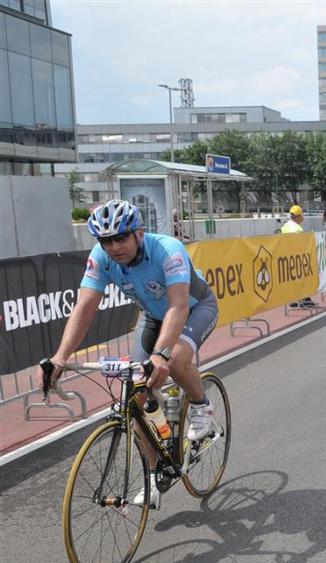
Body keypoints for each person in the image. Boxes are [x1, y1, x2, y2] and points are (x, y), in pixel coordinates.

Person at [41, 200, 219, 509]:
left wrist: (161, 355)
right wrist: (60, 357)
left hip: (194, 309)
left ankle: (202, 406)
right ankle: (154, 472)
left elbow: (178, 305)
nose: (114, 247)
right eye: (106, 241)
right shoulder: (101, 258)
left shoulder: (168, 249)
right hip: (152, 317)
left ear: (139, 233)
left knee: (175, 359)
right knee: (134, 396)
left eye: (121, 238)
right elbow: (85, 306)